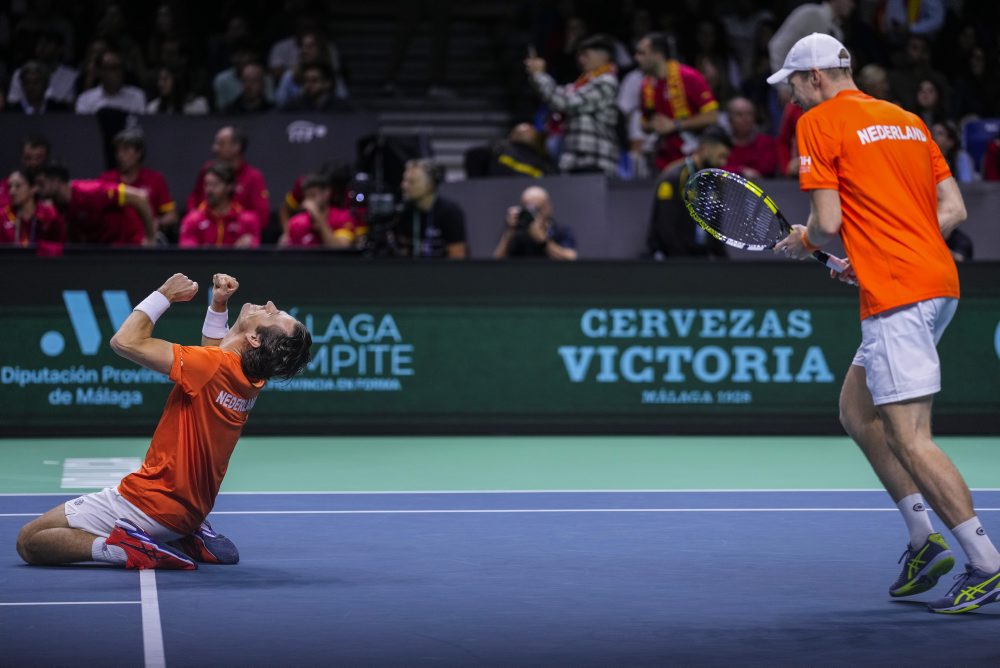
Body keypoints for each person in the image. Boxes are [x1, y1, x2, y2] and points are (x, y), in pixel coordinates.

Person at [769, 33, 1000, 614]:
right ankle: (924, 541)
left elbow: (826, 220)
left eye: (794, 84)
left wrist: (806, 242)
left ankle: (986, 563)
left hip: (899, 294)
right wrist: (871, 255)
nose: (792, 98)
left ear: (816, 77)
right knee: (857, 409)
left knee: (910, 437)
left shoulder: (819, 123)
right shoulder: (907, 120)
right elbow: (952, 209)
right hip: (936, 282)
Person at [16, 272, 312, 570]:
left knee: (30, 540)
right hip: (185, 513)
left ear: (254, 338)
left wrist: (164, 294)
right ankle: (183, 537)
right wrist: (217, 306)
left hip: (146, 504)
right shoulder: (250, 379)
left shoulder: (212, 366)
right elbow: (214, 354)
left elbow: (125, 342)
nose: (271, 304)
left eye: (275, 314)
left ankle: (126, 549)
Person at [525, 34, 620, 176]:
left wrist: (540, 75)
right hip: (576, 160)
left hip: (595, 161)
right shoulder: (583, 83)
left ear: (603, 57)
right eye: (580, 55)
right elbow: (557, 95)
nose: (581, 60)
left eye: (586, 55)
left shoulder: (606, 82)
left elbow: (565, 102)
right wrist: (536, 76)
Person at [634, 32, 720, 171]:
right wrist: (653, 124)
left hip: (693, 159)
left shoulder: (689, 77)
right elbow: (644, 122)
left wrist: (675, 125)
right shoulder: (646, 85)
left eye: (642, 53)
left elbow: (712, 116)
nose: (637, 58)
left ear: (658, 55)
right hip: (662, 161)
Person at [646, 126, 731, 259]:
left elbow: (714, 230)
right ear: (706, 149)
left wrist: (725, 264)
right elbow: (665, 228)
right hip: (673, 261)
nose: (723, 162)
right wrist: (684, 262)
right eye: (721, 156)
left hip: (701, 260)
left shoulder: (715, 182)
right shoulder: (674, 177)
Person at [35, 161, 156, 246]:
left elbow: (140, 198)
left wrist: (150, 238)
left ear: (56, 181)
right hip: (102, 250)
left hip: (129, 246)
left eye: (41, 184)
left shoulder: (92, 192)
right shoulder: (58, 205)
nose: (37, 189)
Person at [187, 126, 270, 233]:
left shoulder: (254, 177)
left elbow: (262, 218)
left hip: (236, 237)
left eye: (221, 144)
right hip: (205, 235)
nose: (214, 148)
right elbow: (194, 200)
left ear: (236, 147)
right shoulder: (207, 170)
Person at [99, 129, 178, 239]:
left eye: (126, 150)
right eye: (118, 151)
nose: (120, 155)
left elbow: (172, 216)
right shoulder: (106, 180)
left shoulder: (155, 179)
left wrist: (156, 223)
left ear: (139, 153)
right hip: (114, 241)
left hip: (145, 241)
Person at [391, 159, 467, 258]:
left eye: (411, 182)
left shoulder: (450, 212)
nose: (404, 185)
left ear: (429, 185)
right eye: (404, 180)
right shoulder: (403, 212)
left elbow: (458, 255)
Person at [179, 164, 260, 248]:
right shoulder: (192, 220)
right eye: (207, 184)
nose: (209, 190)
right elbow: (187, 253)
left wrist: (248, 246)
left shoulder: (248, 220)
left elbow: (256, 252)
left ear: (229, 186)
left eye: (215, 185)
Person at [493, 186, 577, 260]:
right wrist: (509, 232)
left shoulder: (560, 230)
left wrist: (542, 240)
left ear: (548, 207)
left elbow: (570, 258)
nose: (533, 214)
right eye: (528, 209)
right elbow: (497, 263)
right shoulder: (517, 233)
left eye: (537, 209)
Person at [279, 172, 360, 248]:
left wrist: (317, 215)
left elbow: (339, 250)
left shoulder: (343, 218)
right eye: (307, 197)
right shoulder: (297, 223)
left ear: (326, 193)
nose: (308, 202)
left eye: (313, 195)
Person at [0, 169, 64, 255]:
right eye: (10, 186)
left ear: (33, 188)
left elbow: (61, 248)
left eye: (18, 186)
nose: (12, 191)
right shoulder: (3, 217)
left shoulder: (49, 215)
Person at [74, 49, 146, 115]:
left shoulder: (136, 96)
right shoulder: (85, 99)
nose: (118, 72)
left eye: (120, 67)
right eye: (113, 68)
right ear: (100, 71)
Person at [722, 96, 777, 179]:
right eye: (739, 115)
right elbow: (717, 169)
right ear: (730, 119)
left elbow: (768, 169)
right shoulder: (722, 144)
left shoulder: (766, 142)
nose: (745, 119)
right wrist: (741, 170)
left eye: (749, 114)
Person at [5, 61, 72, 114]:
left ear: (46, 84)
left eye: (36, 83)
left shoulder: (58, 110)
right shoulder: (12, 112)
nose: (31, 87)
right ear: (22, 85)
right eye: (27, 83)